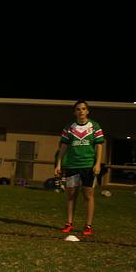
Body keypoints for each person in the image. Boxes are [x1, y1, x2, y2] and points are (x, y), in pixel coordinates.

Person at [54, 100, 104, 236]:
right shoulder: (69, 127)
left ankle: (88, 225)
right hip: (71, 165)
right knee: (71, 195)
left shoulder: (95, 126)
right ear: (74, 112)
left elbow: (99, 145)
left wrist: (98, 163)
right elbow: (63, 146)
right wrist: (59, 163)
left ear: (87, 111)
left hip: (88, 165)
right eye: (78, 109)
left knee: (88, 195)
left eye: (83, 109)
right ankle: (69, 223)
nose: (81, 111)